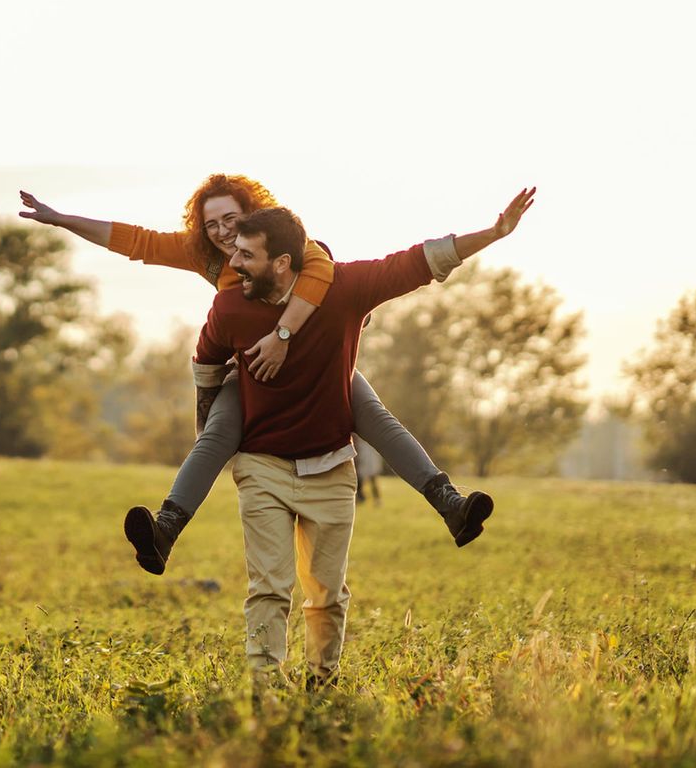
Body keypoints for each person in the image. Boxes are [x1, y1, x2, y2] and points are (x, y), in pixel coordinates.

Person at [18, 176, 490, 573]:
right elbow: (134, 241)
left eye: (230, 219)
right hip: (251, 373)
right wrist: (61, 219)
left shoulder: (297, 249)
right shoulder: (207, 257)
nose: (223, 233)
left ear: (253, 213)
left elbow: (337, 272)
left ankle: (450, 504)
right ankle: (164, 530)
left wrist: (283, 335)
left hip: (319, 366)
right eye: (211, 224)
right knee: (216, 434)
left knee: (375, 418)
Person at [193, 189, 534, 685]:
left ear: (283, 262)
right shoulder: (230, 307)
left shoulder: (346, 287)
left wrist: (494, 233)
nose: (234, 263)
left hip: (330, 466)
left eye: (247, 255)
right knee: (269, 587)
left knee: (327, 592)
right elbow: (205, 365)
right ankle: (264, 687)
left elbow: (420, 261)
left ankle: (321, 681)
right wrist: (210, 431)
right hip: (262, 464)